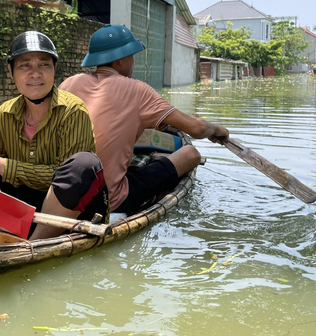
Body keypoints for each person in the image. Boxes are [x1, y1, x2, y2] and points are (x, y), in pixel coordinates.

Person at [0, 31, 108, 240]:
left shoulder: (73, 110)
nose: (35, 74)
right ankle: (3, 230)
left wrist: (4, 166)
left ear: (54, 69)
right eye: (25, 65)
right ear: (11, 72)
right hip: (25, 206)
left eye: (44, 65)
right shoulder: (5, 113)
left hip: (68, 210)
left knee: (85, 163)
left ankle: (35, 243)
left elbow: (70, 178)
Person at [59, 24, 229, 215]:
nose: (133, 62)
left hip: (61, 196)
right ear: (122, 59)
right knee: (191, 153)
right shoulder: (138, 90)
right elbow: (196, 129)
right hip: (110, 201)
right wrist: (218, 130)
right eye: (132, 56)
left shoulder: (69, 83)